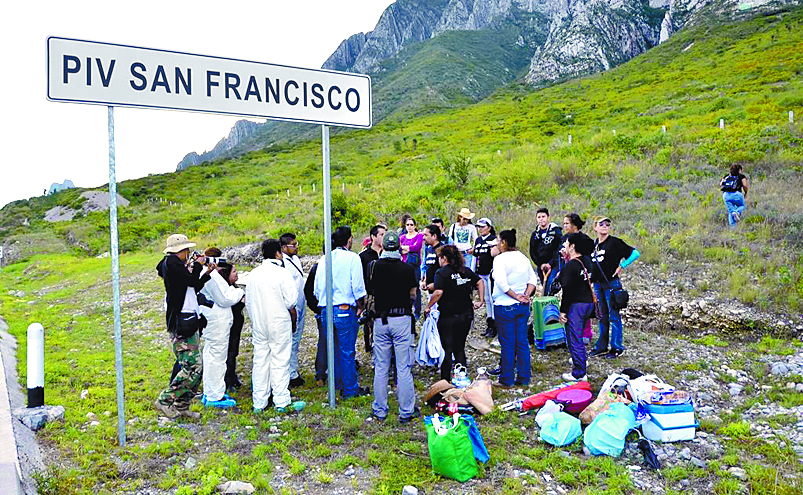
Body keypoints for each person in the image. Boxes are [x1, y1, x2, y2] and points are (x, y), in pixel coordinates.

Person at [154, 234, 214, 419]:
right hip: (182, 320)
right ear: (179, 251)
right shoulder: (172, 264)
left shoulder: (173, 265)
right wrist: (197, 265)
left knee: (195, 365)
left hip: (188, 318)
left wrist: (206, 273)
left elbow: (192, 284)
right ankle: (165, 400)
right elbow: (190, 280)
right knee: (192, 366)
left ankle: (182, 406)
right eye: (186, 251)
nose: (188, 254)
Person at [246, 239, 305, 413]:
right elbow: (291, 300)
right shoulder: (282, 273)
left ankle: (259, 401)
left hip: (259, 322)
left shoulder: (253, 275)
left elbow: (248, 301)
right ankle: (281, 400)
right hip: (279, 322)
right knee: (280, 360)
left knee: (260, 360)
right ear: (278, 253)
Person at [368, 230, 420, 423]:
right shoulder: (407, 270)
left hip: (380, 321)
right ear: (399, 248)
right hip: (401, 319)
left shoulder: (373, 267)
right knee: (403, 367)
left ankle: (380, 410)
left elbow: (370, 290)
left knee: (380, 367)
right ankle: (406, 410)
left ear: (383, 247)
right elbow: (413, 295)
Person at [313, 226, 370, 398]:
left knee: (334, 349)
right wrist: (361, 305)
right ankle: (350, 389)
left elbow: (316, 289)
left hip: (325, 309)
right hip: (344, 308)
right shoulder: (352, 258)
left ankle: (337, 384)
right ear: (349, 240)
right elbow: (358, 287)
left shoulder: (324, 259)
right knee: (347, 350)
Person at [424, 245, 485, 381]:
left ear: (444, 258)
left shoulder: (441, 273)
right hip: (466, 314)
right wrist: (480, 300)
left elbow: (439, 292)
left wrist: (429, 306)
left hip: (449, 315)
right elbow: (480, 281)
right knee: (460, 347)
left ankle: (445, 379)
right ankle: (461, 376)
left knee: (447, 347)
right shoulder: (465, 271)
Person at [491, 229, 538, 388]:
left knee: (507, 343)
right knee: (522, 342)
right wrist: (525, 295)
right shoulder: (522, 257)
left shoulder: (500, 259)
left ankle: (507, 379)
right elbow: (533, 279)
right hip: (521, 307)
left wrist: (515, 295)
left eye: (498, 240)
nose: (497, 243)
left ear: (503, 242)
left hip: (505, 306)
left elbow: (501, 283)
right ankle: (524, 377)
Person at [590, 216, 640, 359]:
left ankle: (617, 347)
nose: (605, 226)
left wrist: (622, 266)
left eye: (607, 224)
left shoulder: (615, 242)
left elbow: (635, 253)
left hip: (611, 284)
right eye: (601, 224)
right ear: (595, 227)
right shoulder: (594, 245)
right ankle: (601, 346)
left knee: (614, 316)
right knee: (602, 316)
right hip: (598, 284)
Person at [199, 252, 245, 408]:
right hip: (216, 322)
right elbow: (225, 299)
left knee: (212, 356)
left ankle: (212, 391)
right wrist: (240, 292)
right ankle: (215, 396)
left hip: (215, 321)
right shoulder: (208, 276)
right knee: (217, 359)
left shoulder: (209, 274)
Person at [557, 233, 596, 382]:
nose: (564, 246)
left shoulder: (571, 265)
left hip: (576, 306)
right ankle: (580, 361)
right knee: (578, 338)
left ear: (573, 246)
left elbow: (568, 291)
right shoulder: (586, 261)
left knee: (574, 339)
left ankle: (579, 373)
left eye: (566, 243)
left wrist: (563, 310)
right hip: (588, 303)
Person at [280, 233, 307, 388]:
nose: (296, 247)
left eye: (297, 244)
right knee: (290, 338)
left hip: (300, 303)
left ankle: (293, 368)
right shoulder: (282, 264)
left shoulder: (296, 259)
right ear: (284, 247)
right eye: (293, 245)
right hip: (291, 306)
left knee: (297, 339)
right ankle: (290, 373)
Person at [360, 225, 386, 353]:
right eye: (381, 234)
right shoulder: (364, 256)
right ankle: (369, 346)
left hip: (385, 294)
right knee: (369, 323)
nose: (383, 237)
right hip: (370, 295)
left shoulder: (387, 254)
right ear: (373, 236)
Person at [474, 218, 498, 338]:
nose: (480, 229)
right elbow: (475, 256)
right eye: (479, 227)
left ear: (489, 227)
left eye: (483, 227)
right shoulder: (478, 240)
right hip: (481, 273)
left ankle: (495, 325)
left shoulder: (493, 239)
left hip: (491, 274)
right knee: (486, 299)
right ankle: (489, 323)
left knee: (492, 299)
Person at [529, 207, 562, 291]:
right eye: (539, 217)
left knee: (550, 284)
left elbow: (558, 248)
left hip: (554, 264)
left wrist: (550, 263)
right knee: (544, 285)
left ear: (548, 217)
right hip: (541, 265)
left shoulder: (555, 232)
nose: (541, 219)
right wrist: (540, 264)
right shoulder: (535, 234)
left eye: (543, 217)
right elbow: (532, 251)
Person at [400, 215, 424, 319]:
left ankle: (417, 310)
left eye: (411, 225)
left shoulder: (418, 236)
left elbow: (417, 247)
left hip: (415, 265)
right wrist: (409, 248)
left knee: (416, 287)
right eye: (408, 225)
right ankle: (406, 309)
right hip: (404, 264)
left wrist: (407, 248)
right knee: (405, 287)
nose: (409, 227)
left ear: (414, 226)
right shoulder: (402, 237)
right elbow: (400, 249)